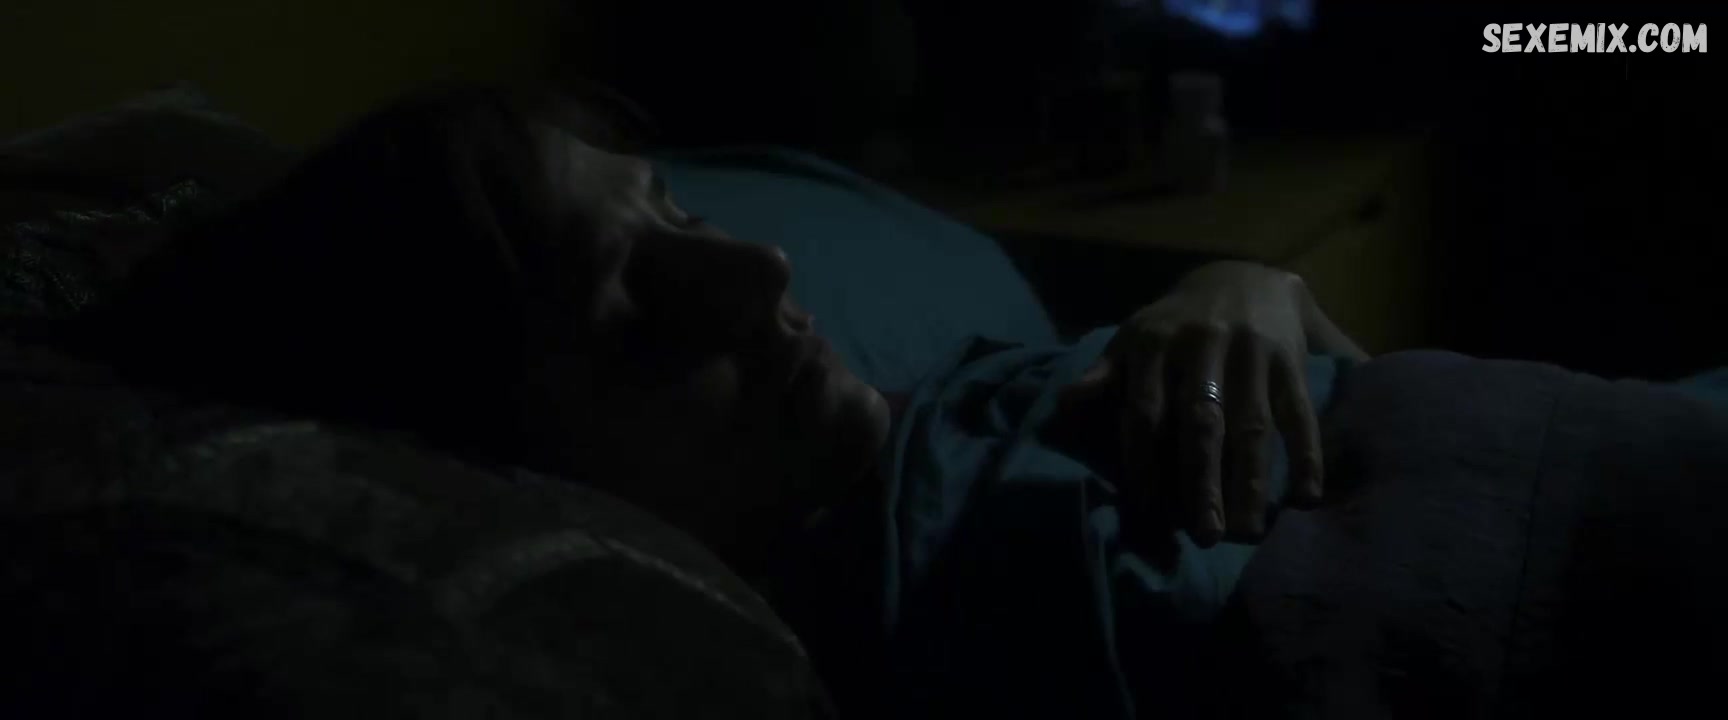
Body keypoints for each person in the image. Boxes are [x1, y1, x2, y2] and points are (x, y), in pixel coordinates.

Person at [45, 87, 1370, 718]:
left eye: (676, 214)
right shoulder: (923, 624)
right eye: (642, 315)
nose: (762, 271)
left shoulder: (929, 415)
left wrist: (1230, 285)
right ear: (510, 456)